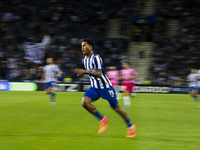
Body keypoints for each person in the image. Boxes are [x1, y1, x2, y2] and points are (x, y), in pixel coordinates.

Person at [75, 38, 136, 137]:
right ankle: (102, 120)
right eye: (81, 46)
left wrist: (85, 71)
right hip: (94, 87)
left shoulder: (96, 57)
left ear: (90, 47)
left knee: (116, 108)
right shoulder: (84, 60)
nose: (82, 48)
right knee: (84, 102)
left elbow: (99, 74)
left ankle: (131, 127)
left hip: (106, 87)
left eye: (84, 46)